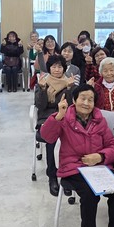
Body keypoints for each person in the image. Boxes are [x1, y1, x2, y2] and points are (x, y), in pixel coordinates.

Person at [40, 84, 114, 227]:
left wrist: (100, 157)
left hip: (99, 167)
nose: (86, 103)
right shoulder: (64, 118)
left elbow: (113, 146)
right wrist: (58, 116)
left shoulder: (100, 120)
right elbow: (47, 137)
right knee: (89, 195)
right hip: (74, 169)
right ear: (74, 100)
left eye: (90, 99)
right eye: (82, 98)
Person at [34, 55, 76, 196]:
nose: (57, 70)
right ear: (49, 68)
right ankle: (52, 176)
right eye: (54, 67)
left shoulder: (69, 82)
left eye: (60, 67)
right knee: (52, 140)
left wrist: (69, 89)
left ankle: (67, 176)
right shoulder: (43, 82)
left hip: (66, 118)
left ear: (64, 68)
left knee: (71, 140)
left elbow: (72, 106)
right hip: (46, 119)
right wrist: (42, 89)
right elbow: (40, 106)